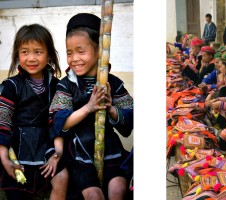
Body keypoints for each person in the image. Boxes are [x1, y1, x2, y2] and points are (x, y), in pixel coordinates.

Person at [48, 13, 133, 200]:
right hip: (78, 154)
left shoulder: (113, 83)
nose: (74, 58)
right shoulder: (66, 85)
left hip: (111, 151)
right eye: (69, 53)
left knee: (119, 189)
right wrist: (89, 107)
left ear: (100, 50)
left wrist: (111, 109)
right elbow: (59, 122)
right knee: (94, 195)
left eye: (81, 51)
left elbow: (128, 123)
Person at [0, 24, 68, 200]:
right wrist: (4, 157)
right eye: (25, 52)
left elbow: (58, 119)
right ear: (17, 54)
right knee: (17, 190)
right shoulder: (11, 86)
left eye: (38, 52)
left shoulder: (57, 86)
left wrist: (57, 153)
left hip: (47, 147)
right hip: (18, 149)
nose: (31, 58)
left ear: (49, 55)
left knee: (62, 178)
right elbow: (3, 121)